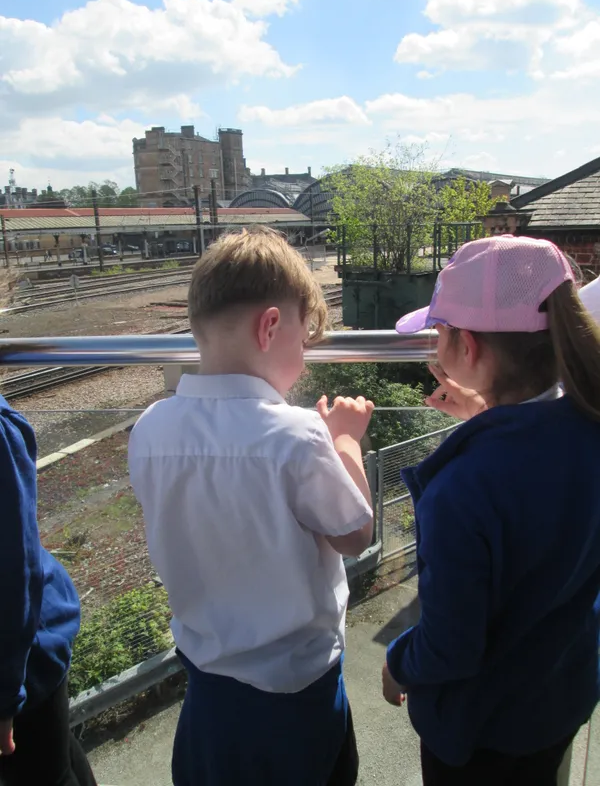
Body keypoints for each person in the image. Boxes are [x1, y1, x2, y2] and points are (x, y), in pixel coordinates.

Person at [128, 226, 375, 786]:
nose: (306, 360)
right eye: (305, 340)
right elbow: (355, 535)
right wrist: (345, 442)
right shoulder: (298, 436)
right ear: (270, 326)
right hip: (296, 691)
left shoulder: (151, 427)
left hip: (208, 683)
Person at [382, 234, 600, 786]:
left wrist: (396, 662)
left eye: (438, 331)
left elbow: (450, 646)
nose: (434, 344)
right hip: (555, 704)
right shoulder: (586, 429)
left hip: (485, 735)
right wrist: (488, 421)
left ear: (468, 348)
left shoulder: (462, 488)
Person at [0, 398, 96, 785]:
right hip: (23, 655)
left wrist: (5, 697)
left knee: (44, 772)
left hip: (21, 661)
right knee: (57, 764)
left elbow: (12, 575)